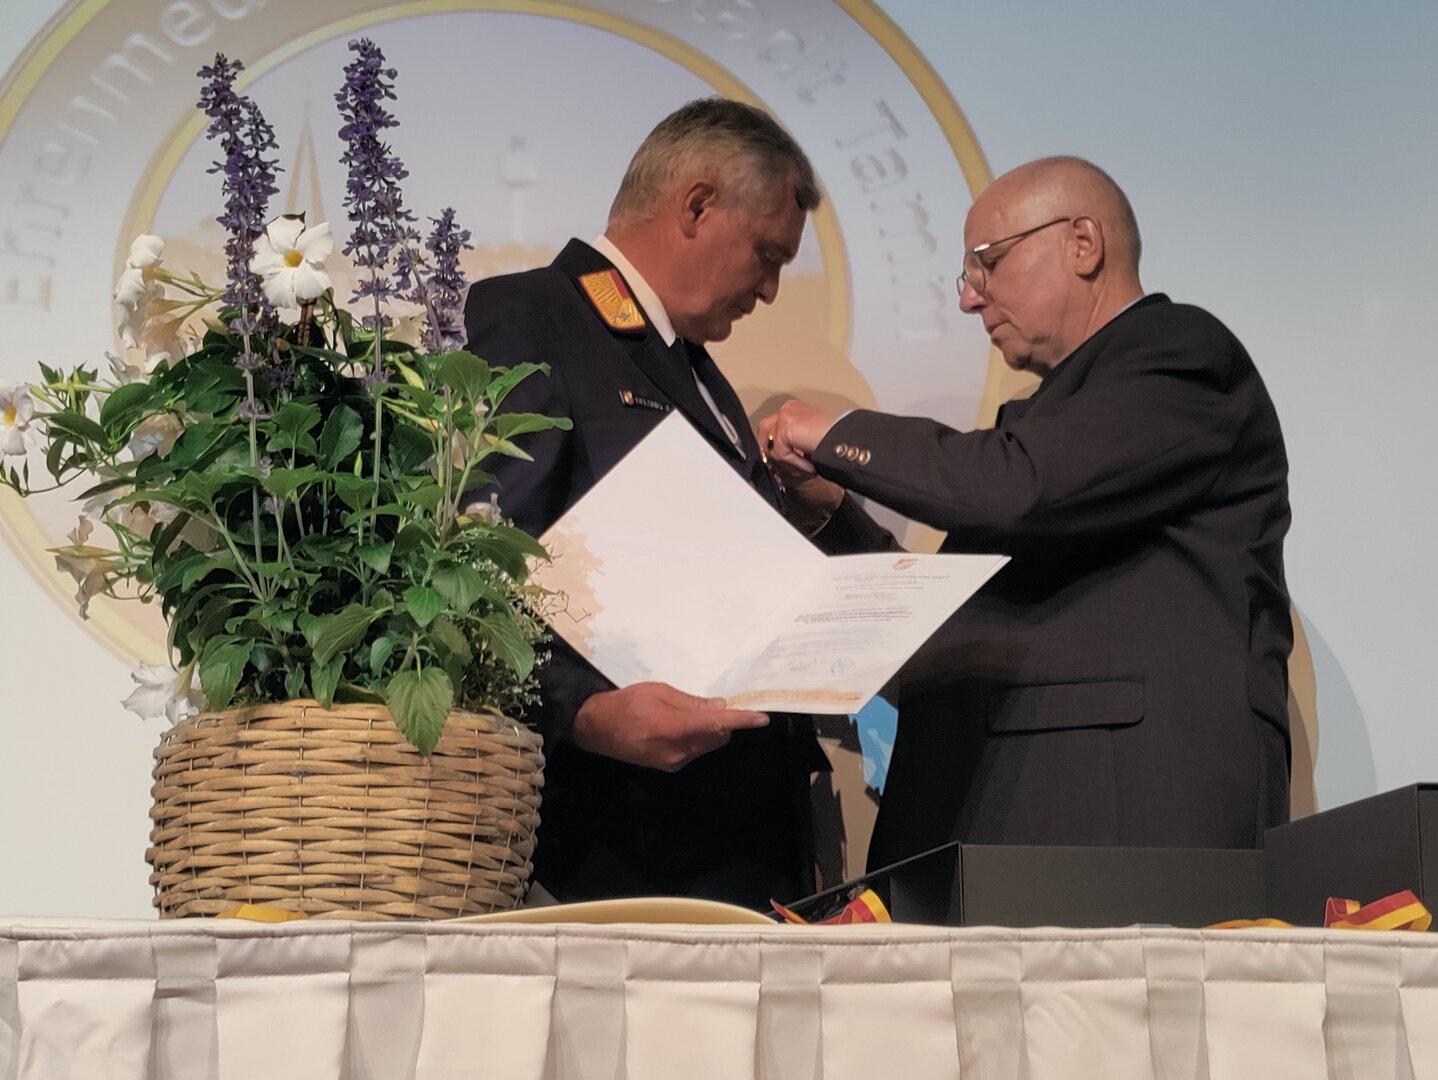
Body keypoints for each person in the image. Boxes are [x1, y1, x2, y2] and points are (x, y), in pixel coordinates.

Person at [762, 156, 1293, 868]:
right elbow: (950, 613)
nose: (969, 298)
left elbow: (1018, 488)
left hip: (1113, 824)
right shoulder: (1054, 426)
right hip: (1002, 820)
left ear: (1083, 243)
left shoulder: (1181, 356)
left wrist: (835, 434)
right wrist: (836, 519)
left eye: (987, 263)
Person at [463, 98, 832, 908]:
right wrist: (582, 712)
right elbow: (483, 558)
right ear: (697, 206)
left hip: (736, 842)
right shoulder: (536, 316)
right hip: (620, 844)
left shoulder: (694, 367)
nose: (772, 290)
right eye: (768, 254)